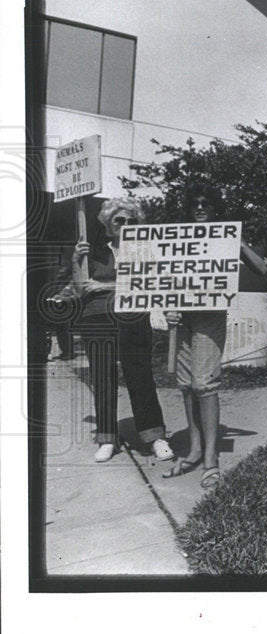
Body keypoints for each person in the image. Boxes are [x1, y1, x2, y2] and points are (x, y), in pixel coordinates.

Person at [163, 183, 267, 488]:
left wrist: (237, 241)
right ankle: (195, 450)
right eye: (194, 203)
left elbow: (262, 269)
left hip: (209, 316)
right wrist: (167, 308)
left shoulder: (225, 238)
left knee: (204, 384)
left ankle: (211, 457)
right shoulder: (178, 238)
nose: (200, 208)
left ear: (214, 209)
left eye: (206, 203)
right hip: (182, 318)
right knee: (186, 385)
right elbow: (162, 277)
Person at [71, 197, 174, 463]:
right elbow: (81, 289)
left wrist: (104, 286)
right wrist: (76, 260)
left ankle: (155, 436)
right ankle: (107, 438)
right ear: (108, 225)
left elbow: (147, 285)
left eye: (132, 221)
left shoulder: (144, 251)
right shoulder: (94, 252)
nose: (126, 225)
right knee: (102, 377)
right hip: (97, 317)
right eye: (119, 220)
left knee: (140, 375)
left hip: (133, 317)